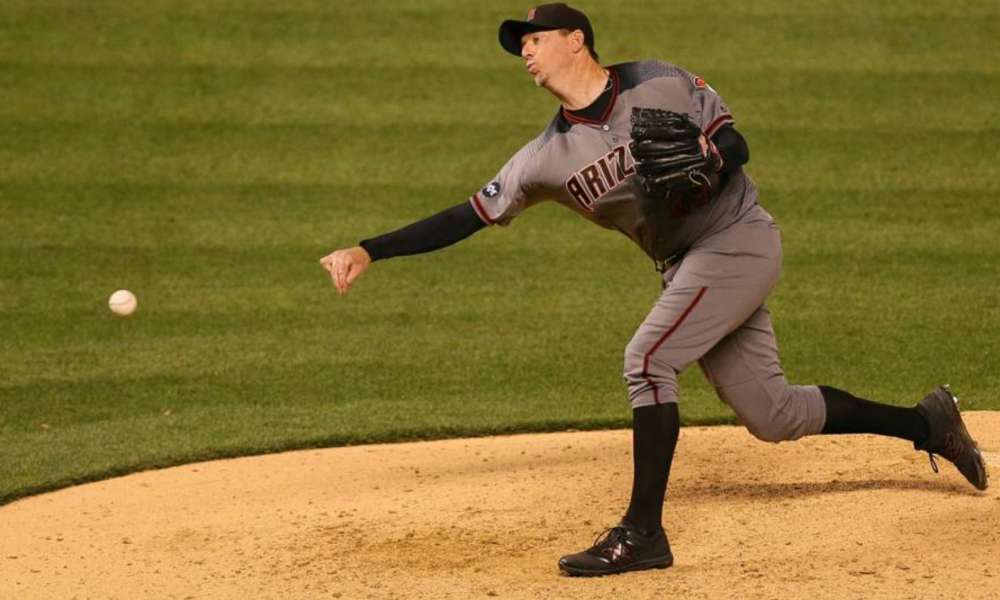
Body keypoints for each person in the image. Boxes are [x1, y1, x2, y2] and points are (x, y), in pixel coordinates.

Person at [320, 3, 988, 578]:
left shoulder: (658, 80)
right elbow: (468, 214)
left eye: (535, 38)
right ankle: (926, 422)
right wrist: (369, 249)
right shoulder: (542, 159)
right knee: (773, 413)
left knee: (648, 359)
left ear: (576, 39)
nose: (525, 51)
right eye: (519, 46)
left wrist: (715, 159)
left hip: (740, 240)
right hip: (686, 268)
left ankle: (643, 533)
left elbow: (734, 138)